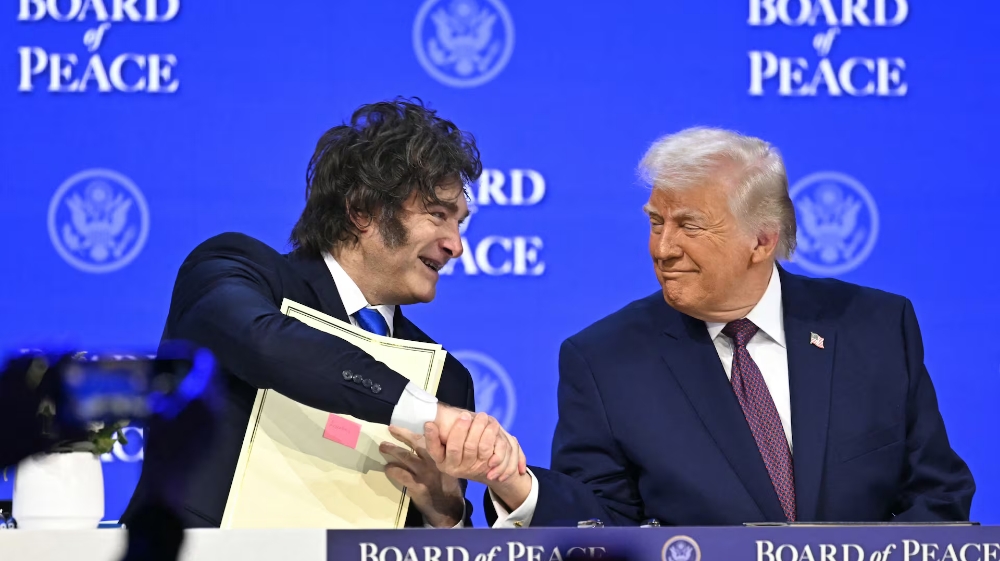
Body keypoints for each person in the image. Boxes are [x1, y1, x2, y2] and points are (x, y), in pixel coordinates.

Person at [429, 127, 976, 526]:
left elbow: (938, 495)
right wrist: (516, 485)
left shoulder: (874, 327)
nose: (663, 248)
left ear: (761, 240)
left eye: (689, 226)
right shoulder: (605, 361)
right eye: (655, 223)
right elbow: (600, 525)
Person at [122, 98, 523, 529]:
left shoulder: (445, 380)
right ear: (363, 211)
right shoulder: (237, 271)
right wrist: (429, 413)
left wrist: (445, 513)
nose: (456, 246)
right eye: (438, 215)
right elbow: (266, 344)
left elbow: (443, 548)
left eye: (459, 223)